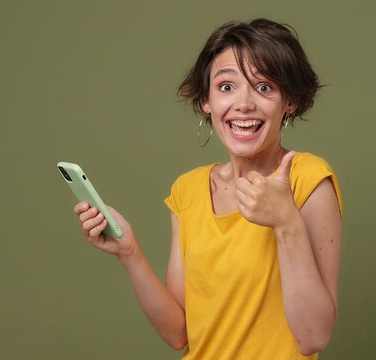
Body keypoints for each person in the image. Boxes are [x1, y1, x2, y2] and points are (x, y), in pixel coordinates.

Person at [73, 18, 343, 360]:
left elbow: (314, 337)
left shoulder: (309, 179)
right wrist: (130, 254)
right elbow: (178, 333)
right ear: (206, 101)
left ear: (288, 101)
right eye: (227, 87)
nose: (243, 104)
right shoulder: (188, 190)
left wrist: (286, 222)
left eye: (264, 87)